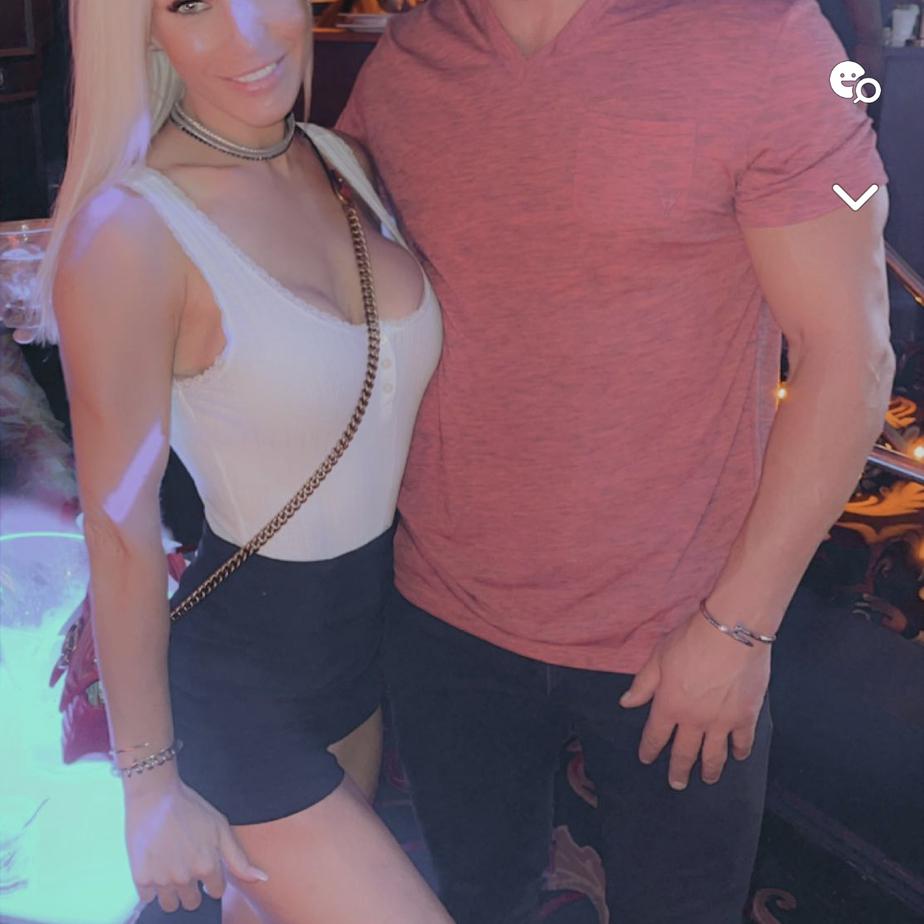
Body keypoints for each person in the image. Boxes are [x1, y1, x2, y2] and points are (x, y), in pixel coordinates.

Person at [336, 0, 894, 921]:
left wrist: (739, 628)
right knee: (477, 900)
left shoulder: (761, 37)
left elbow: (851, 356)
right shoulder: (410, 57)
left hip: (682, 625)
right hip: (444, 608)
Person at [34, 1, 448, 921]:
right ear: (142, 31)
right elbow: (120, 527)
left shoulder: (340, 163)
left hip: (356, 664)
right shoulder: (132, 230)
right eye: (192, 4)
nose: (250, 34)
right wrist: (149, 786)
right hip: (234, 690)